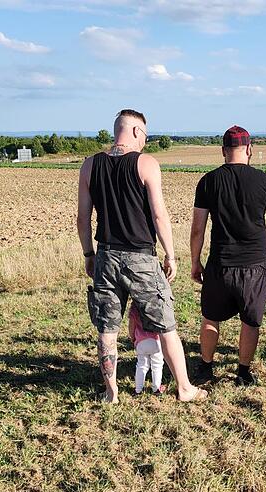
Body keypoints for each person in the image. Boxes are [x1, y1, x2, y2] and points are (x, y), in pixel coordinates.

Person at [77, 108, 207, 404]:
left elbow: (83, 218)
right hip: (141, 259)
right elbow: (159, 215)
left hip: (106, 256)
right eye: (145, 135)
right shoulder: (146, 163)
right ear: (136, 132)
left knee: (107, 329)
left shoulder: (89, 166)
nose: (145, 142)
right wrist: (171, 255)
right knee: (166, 324)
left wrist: (89, 253)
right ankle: (185, 389)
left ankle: (111, 394)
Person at [190, 125, 266, 385]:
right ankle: (243, 372)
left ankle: (205, 368)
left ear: (223, 151)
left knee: (211, 318)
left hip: (220, 264)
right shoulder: (265, 181)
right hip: (256, 265)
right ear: (249, 150)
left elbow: (197, 230)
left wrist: (195, 262)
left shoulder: (208, 181)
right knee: (250, 321)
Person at [128, 305, 165, 395]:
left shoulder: (134, 308)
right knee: (157, 365)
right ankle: (156, 388)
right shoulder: (157, 304)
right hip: (156, 340)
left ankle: (138, 389)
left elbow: (131, 326)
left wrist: (133, 338)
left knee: (141, 365)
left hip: (141, 341)